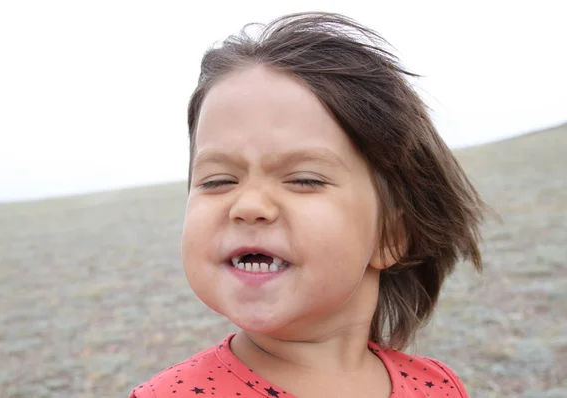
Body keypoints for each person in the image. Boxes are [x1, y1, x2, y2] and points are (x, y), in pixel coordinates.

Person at [129, 11, 486, 398]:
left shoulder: (438, 387)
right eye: (218, 181)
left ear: (391, 236)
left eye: (304, 180)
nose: (248, 205)